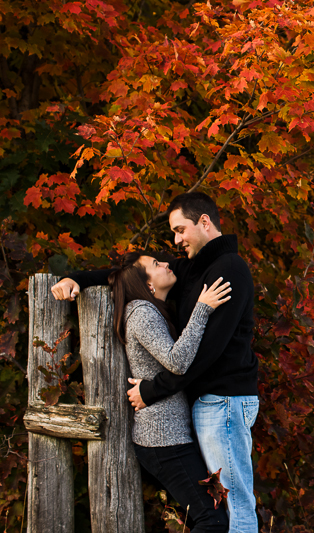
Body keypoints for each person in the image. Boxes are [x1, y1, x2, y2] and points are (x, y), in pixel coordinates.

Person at [51, 192, 260, 533]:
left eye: (180, 230)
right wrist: (77, 278)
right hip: (208, 405)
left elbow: (209, 351)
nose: (176, 242)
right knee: (222, 508)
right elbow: (126, 275)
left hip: (225, 402)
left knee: (234, 505)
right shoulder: (192, 269)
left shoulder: (228, 270)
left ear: (204, 222)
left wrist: (153, 389)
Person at [108, 252, 231, 532]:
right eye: (156, 265)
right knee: (211, 522)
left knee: (210, 517)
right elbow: (177, 362)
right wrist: (202, 308)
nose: (166, 264)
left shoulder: (153, 311)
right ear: (148, 285)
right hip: (163, 442)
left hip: (170, 438)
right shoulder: (141, 312)